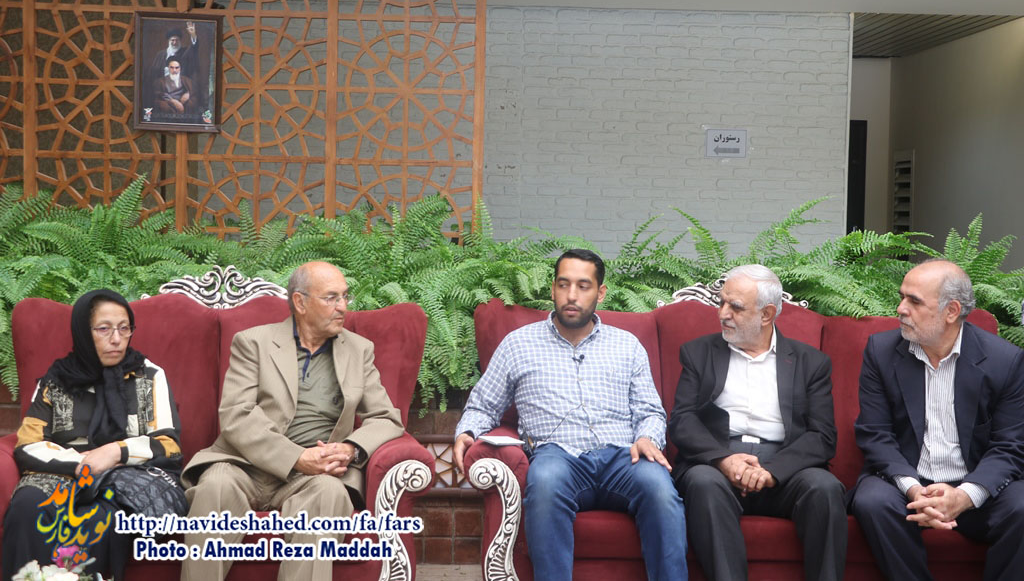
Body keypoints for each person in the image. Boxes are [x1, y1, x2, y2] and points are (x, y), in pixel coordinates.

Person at [453, 249, 688, 581]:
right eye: (563, 285)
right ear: (553, 289)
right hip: (556, 456)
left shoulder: (627, 345)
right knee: (545, 482)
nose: (572, 295)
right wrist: (466, 432)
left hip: (623, 457)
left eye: (583, 286)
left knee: (660, 489)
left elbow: (650, 410)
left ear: (600, 293)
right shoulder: (518, 345)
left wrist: (648, 438)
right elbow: (482, 406)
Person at [181, 261, 404, 581]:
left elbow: (385, 417)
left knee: (329, 494)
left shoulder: (358, 350)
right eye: (331, 298)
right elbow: (236, 414)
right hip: (244, 465)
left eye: (345, 296)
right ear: (300, 302)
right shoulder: (254, 342)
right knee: (215, 487)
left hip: (314, 477)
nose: (342, 307)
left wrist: (350, 449)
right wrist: (296, 457)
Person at [668, 264, 846, 581]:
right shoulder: (698, 353)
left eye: (735, 307)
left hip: (785, 466)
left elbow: (822, 436)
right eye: (722, 302)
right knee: (702, 483)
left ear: (767, 314)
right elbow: (682, 421)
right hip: (718, 462)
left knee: (825, 488)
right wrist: (725, 460)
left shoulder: (810, 363)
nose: (723, 313)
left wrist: (771, 472)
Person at [850, 259, 1024, 580]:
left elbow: (1009, 446)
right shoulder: (881, 351)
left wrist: (964, 496)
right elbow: (875, 434)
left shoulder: (1005, 361)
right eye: (902, 297)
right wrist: (914, 491)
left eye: (914, 301)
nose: (901, 309)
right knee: (872, 500)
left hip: (976, 485)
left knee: (1022, 505)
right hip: (907, 484)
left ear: (951, 311)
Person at [1, 289, 183, 580]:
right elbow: (28, 444)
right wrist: (80, 464)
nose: (116, 339)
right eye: (104, 329)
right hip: (61, 473)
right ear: (84, 333)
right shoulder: (57, 379)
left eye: (124, 328)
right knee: (26, 508)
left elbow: (168, 445)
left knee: (100, 517)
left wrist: (115, 451)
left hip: (124, 476)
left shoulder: (148, 376)